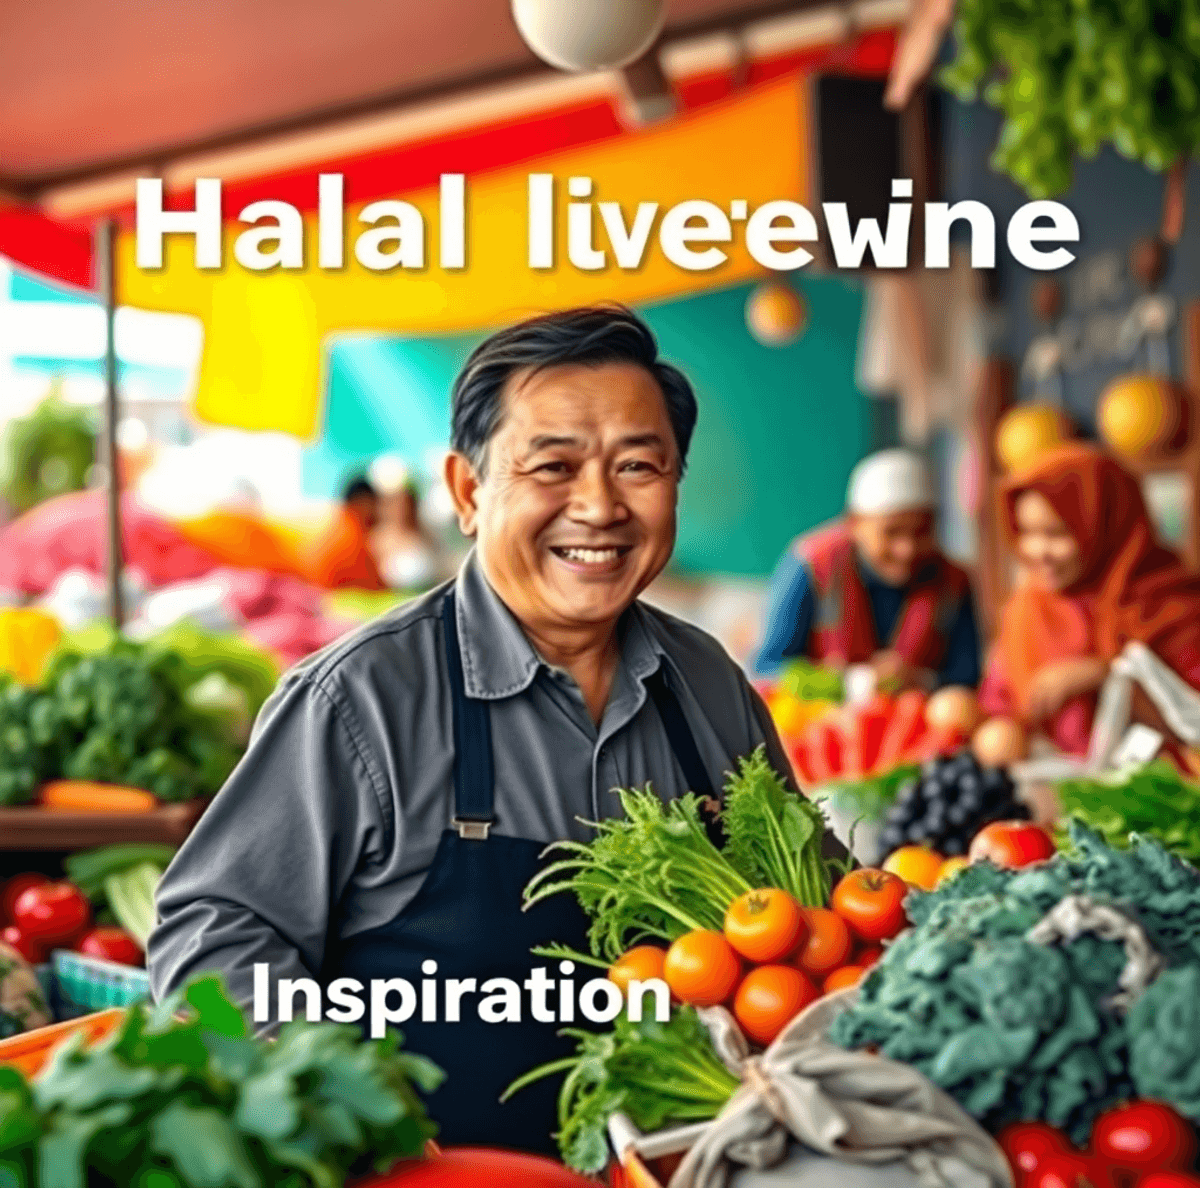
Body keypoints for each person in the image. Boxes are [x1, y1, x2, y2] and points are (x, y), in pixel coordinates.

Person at [148, 305, 838, 1154]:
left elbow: (812, 921)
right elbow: (206, 937)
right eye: (553, 466)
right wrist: (328, 1113)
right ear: (470, 493)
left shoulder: (710, 688)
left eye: (638, 466)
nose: (599, 506)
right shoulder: (361, 699)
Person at [978, 442, 1200, 758]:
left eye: (1056, 534)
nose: (1037, 552)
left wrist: (1104, 674)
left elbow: (1191, 719)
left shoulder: (1169, 603)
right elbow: (999, 705)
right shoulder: (1027, 607)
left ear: (1106, 523)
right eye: (1026, 533)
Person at [753, 448, 980, 690]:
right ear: (855, 524)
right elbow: (766, 670)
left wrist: (920, 680)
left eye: (921, 531)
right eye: (891, 532)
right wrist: (851, 683)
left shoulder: (953, 582)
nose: (907, 549)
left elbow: (968, 678)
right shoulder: (809, 565)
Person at [301, 475, 387, 590]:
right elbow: (374, 584)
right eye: (375, 503)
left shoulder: (339, 525)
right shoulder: (352, 536)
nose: (378, 509)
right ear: (362, 502)